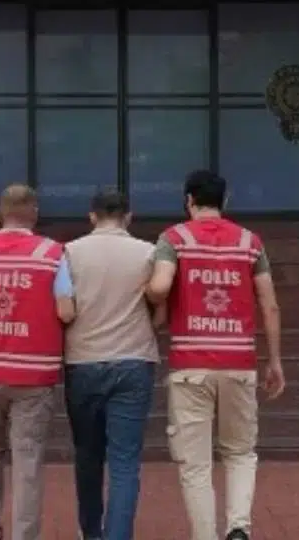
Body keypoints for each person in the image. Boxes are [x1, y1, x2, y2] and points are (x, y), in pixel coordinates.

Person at [146, 170, 285, 540]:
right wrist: (274, 360)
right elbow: (269, 305)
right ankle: (238, 527)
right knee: (240, 452)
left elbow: (160, 286)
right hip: (239, 363)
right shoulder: (250, 242)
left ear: (188, 200)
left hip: (190, 364)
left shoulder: (174, 238)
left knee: (195, 464)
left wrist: (151, 293)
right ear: (226, 200)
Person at [0, 184, 69, 540]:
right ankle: (25, 534)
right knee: (28, 458)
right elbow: (66, 309)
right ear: (34, 212)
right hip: (33, 372)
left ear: (0, 212)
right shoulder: (53, 254)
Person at [56, 189, 158, 540]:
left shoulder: (69, 253)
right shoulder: (148, 253)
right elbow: (160, 308)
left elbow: (64, 310)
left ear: (92, 216)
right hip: (134, 359)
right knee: (125, 461)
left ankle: (91, 531)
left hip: (83, 360)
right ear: (128, 216)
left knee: (87, 455)